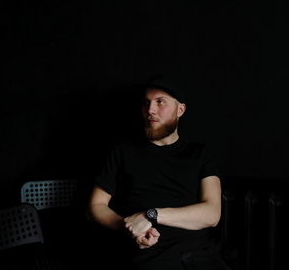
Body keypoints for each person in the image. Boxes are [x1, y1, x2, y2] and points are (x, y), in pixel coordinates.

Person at [87, 76, 230, 270]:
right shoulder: (123, 151)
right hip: (146, 253)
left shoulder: (201, 154)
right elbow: (96, 205)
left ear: (180, 110)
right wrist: (130, 227)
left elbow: (212, 213)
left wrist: (151, 215)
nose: (150, 110)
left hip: (200, 254)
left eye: (160, 102)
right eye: (146, 103)